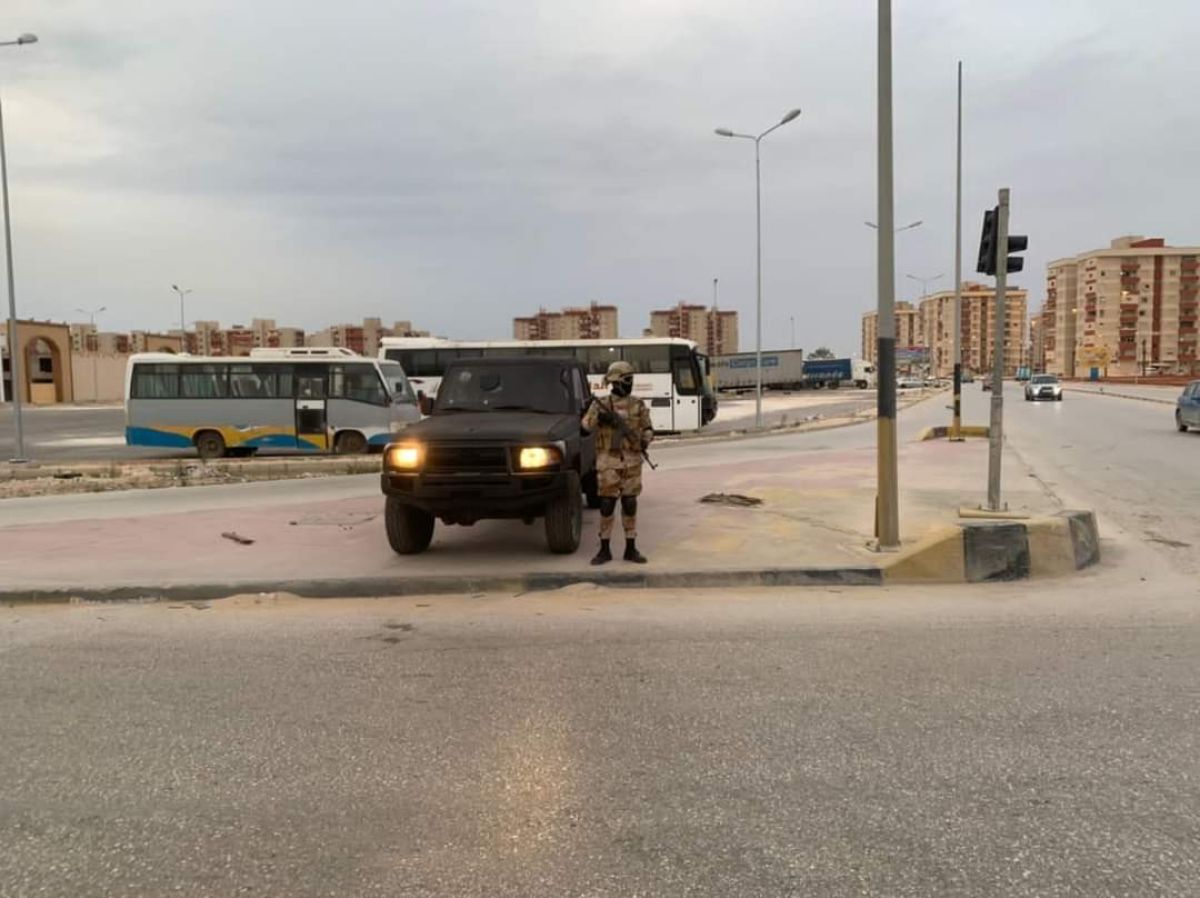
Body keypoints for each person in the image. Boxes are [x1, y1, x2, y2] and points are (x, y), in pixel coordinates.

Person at [582, 360, 654, 565]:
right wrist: (601, 418)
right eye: (627, 380)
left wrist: (644, 441)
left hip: (632, 462)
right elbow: (585, 426)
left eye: (631, 380)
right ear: (617, 382)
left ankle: (630, 548)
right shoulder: (600, 404)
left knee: (630, 503)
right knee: (606, 505)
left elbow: (648, 428)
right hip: (608, 462)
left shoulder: (638, 404)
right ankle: (604, 549)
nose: (630, 383)